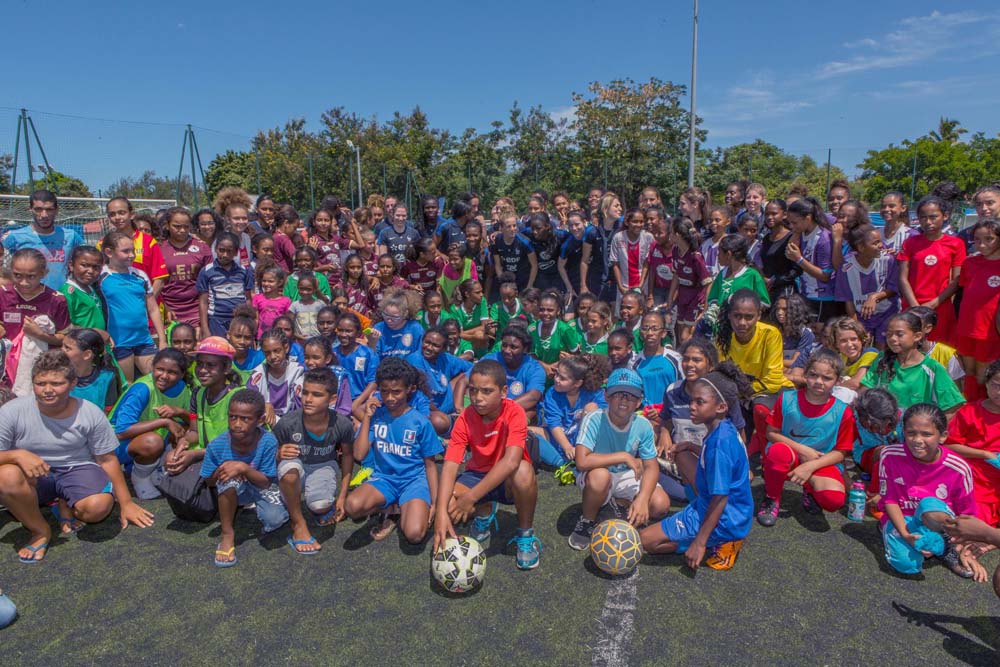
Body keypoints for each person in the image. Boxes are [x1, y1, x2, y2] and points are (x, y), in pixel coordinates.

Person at [0, 350, 154, 563]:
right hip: (33, 476)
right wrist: (17, 455)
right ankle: (40, 530)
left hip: (76, 468)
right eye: (40, 383)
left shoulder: (89, 413)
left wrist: (126, 502)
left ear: (73, 384)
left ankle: (64, 500)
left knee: (97, 508)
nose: (47, 390)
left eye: (56, 383)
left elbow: (107, 459)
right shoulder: (11, 411)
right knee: (6, 475)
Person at [639, 369, 752, 571]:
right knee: (682, 454)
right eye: (692, 400)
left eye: (700, 402)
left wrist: (699, 542)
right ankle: (703, 532)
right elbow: (723, 463)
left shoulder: (720, 444)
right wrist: (691, 447)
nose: (692, 406)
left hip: (725, 517)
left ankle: (722, 541)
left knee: (646, 541)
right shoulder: (723, 428)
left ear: (721, 407)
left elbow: (720, 498)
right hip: (729, 507)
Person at [434, 359, 542, 570]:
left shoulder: (515, 412)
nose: (477, 398)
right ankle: (484, 512)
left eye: (486, 391)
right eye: (473, 391)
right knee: (446, 504)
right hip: (477, 475)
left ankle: (525, 535)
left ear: (503, 391)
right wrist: (440, 512)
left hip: (508, 479)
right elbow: (450, 465)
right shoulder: (465, 418)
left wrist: (470, 498)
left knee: (522, 470)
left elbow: (511, 462)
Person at [568, 368, 671, 549]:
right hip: (597, 473)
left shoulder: (643, 425)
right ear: (606, 396)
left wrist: (643, 499)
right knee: (600, 478)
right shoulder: (594, 419)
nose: (624, 400)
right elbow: (582, 462)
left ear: (639, 401)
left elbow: (652, 467)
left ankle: (619, 504)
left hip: (626, 474)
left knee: (661, 505)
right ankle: (588, 520)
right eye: (618, 394)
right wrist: (623, 456)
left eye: (631, 396)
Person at [344, 358, 441, 545]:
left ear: (409, 389)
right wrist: (367, 419)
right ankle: (393, 508)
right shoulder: (377, 416)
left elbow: (430, 465)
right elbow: (359, 455)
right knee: (352, 506)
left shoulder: (419, 422)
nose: (390, 398)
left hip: (413, 481)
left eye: (396, 392)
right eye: (385, 391)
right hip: (384, 479)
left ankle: (401, 510)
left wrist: (435, 503)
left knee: (414, 534)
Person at [757, 350, 857, 526]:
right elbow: (771, 433)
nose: (819, 382)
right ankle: (772, 498)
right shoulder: (787, 399)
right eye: (813, 375)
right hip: (789, 456)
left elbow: (842, 452)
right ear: (805, 374)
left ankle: (809, 489)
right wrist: (802, 450)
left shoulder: (843, 411)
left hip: (820, 460)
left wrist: (810, 466)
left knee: (833, 500)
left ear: (838, 381)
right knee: (777, 452)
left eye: (826, 378)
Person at [878, 403, 978, 579]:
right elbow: (890, 500)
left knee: (928, 504)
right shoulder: (890, 455)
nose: (917, 440)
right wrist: (905, 534)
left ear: (943, 436)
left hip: (939, 522)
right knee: (907, 566)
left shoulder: (958, 468)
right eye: (911, 433)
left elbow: (968, 515)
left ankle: (946, 547)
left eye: (926, 434)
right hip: (903, 519)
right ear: (903, 432)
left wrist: (965, 549)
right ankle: (891, 531)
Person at [201, 389, 288, 567]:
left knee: (275, 519)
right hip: (233, 489)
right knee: (229, 480)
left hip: (260, 485)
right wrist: (223, 471)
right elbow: (209, 482)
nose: (237, 424)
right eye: (232, 417)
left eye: (245, 419)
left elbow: (266, 481)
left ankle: (254, 506)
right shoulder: (216, 445)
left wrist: (242, 468)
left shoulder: (268, 441)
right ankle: (227, 534)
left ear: (260, 420)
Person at [274, 368, 355, 554]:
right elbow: (267, 453)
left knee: (320, 506)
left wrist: (342, 497)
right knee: (290, 471)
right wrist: (278, 453)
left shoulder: (342, 424)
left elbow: (348, 456)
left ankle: (316, 504)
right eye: (305, 392)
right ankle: (298, 525)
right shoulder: (288, 422)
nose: (308, 399)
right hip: (296, 467)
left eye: (317, 395)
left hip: (323, 465)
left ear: (332, 399)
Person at [716, 289, 794, 455]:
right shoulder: (722, 338)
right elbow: (720, 375)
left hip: (772, 392)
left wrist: (742, 393)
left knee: (760, 408)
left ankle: (768, 453)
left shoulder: (770, 334)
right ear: (729, 315)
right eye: (737, 316)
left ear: (758, 315)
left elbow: (773, 381)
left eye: (749, 317)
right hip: (740, 394)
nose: (742, 322)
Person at [109, 348, 191, 499]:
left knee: (187, 432)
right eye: (160, 369)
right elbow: (121, 432)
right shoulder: (143, 388)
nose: (164, 376)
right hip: (114, 447)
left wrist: (180, 412)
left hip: (144, 441)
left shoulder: (183, 389)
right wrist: (164, 421)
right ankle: (140, 477)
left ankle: (152, 468)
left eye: (172, 372)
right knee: (153, 442)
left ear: (182, 375)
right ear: (152, 367)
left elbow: (193, 422)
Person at [860, 312, 965, 416]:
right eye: (889, 334)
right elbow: (864, 393)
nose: (892, 338)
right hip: (884, 429)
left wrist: (930, 429)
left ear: (917, 336)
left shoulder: (932, 368)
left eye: (899, 334)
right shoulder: (882, 360)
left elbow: (954, 407)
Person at [657, 339, 748, 455]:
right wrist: (664, 433)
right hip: (678, 455)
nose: (689, 364)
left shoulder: (721, 394)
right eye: (685, 359)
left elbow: (740, 436)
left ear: (710, 366)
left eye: (697, 360)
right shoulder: (672, 391)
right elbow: (666, 420)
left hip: (715, 458)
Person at [897, 195, 966, 343]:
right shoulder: (910, 243)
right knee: (910, 347)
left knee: (938, 350)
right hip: (911, 306)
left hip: (940, 307)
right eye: (923, 217)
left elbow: (956, 279)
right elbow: (903, 278)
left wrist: (933, 303)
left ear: (945, 216)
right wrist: (915, 306)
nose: (928, 222)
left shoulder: (956, 244)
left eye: (933, 217)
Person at [99, 231, 165, 382]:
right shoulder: (101, 276)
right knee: (127, 384)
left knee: (156, 379)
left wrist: (162, 340)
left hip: (143, 339)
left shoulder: (140, 275)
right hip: (118, 341)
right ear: (109, 252)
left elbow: (153, 309)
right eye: (125, 251)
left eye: (133, 250)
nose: (132, 255)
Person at [533, 354, 608, 483]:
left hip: (582, 442)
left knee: (592, 408)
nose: (556, 379)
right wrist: (567, 446)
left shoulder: (594, 393)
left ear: (577, 383)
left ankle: (583, 457)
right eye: (556, 374)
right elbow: (554, 424)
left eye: (562, 378)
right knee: (526, 433)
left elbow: (604, 417)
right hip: (558, 439)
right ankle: (562, 464)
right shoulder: (552, 393)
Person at [945, 360, 1000, 530]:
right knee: (973, 522)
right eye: (995, 385)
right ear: (987, 384)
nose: (999, 392)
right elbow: (949, 446)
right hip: (975, 476)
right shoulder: (970, 411)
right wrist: (985, 454)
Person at [954, 218, 1000, 400]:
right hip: (966, 328)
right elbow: (963, 294)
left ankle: (986, 414)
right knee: (969, 373)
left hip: (989, 333)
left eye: (989, 239)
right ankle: (971, 411)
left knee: (985, 376)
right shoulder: (970, 263)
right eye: (977, 240)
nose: (982, 244)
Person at [2, 190, 82, 290]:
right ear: (30, 209)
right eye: (38, 209)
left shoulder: (71, 236)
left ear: (56, 210)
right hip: (27, 298)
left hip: (61, 298)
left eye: (49, 209)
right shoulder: (15, 237)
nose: (44, 215)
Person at [835, 223, 900, 346]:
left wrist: (874, 297)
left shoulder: (888, 260)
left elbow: (894, 288)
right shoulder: (846, 268)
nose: (881, 246)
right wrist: (857, 326)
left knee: (882, 350)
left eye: (880, 241)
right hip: (861, 317)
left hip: (886, 314)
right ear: (861, 247)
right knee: (864, 349)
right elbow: (848, 301)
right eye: (875, 243)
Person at [405, 326, 471, 434]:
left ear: (443, 349)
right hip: (427, 408)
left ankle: (464, 417)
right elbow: (422, 398)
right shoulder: (415, 360)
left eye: (435, 345)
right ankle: (459, 426)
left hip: (446, 399)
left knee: (470, 377)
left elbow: (473, 367)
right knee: (439, 422)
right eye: (427, 342)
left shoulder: (445, 357)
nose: (429, 347)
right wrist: (441, 413)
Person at [159, 207, 214, 332]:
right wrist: (166, 307)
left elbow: (210, 281)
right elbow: (155, 284)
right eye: (177, 226)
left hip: (197, 310)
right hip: (170, 312)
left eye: (186, 226)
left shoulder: (201, 247)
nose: (182, 230)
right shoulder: (159, 249)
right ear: (167, 225)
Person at [785, 197, 838, 323]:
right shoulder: (802, 232)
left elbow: (825, 275)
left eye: (795, 223)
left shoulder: (823, 238)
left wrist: (799, 259)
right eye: (790, 223)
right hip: (806, 293)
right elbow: (789, 250)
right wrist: (796, 233)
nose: (792, 227)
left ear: (808, 218)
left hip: (822, 298)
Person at [477, 325, 546, 421]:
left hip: (520, 412)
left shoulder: (535, 369)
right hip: (489, 410)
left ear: (525, 349)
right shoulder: (491, 359)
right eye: (504, 345)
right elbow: (464, 380)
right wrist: (460, 408)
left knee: (531, 410)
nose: (506, 350)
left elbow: (533, 397)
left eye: (513, 347)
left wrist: (500, 411)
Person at [104, 197, 168, 294]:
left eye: (122, 213)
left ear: (132, 214)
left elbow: (160, 279)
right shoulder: (103, 243)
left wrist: (147, 304)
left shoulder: (148, 242)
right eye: (112, 214)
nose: (117, 217)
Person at [197, 231, 254, 337]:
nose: (225, 255)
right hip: (216, 320)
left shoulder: (244, 271)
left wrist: (250, 322)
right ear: (215, 249)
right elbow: (203, 302)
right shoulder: (206, 271)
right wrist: (205, 330)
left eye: (229, 251)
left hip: (239, 320)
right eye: (221, 250)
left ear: (236, 252)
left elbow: (248, 299)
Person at [248, 329, 304, 426]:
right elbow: (249, 399)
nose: (273, 356)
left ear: (286, 348)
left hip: (291, 425)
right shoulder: (259, 373)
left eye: (277, 351)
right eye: (267, 353)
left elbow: (300, 406)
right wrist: (264, 405)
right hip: (264, 425)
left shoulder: (297, 371)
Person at [669, 217, 710, 345]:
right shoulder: (676, 251)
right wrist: (670, 297)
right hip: (683, 297)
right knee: (680, 332)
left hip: (695, 299)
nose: (669, 235)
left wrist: (705, 307)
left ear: (677, 235)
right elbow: (676, 275)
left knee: (685, 336)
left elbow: (708, 282)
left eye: (670, 232)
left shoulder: (695, 257)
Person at [63, 328, 119, 412]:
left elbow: (109, 411)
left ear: (87, 355)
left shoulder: (106, 378)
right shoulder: (58, 375)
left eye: (67, 348)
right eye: (62, 346)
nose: (61, 350)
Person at [528, 291, 581, 377]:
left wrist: (558, 364)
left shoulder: (565, 329)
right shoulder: (531, 329)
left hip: (560, 375)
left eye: (550, 310)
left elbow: (576, 354)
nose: (545, 313)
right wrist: (545, 366)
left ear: (558, 311)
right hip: (536, 374)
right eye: (542, 309)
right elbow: (529, 353)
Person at [333, 312, 378, 411]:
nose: (344, 335)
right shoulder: (333, 354)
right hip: (337, 404)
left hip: (361, 402)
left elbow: (373, 382)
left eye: (348, 331)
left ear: (358, 333)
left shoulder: (367, 354)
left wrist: (356, 404)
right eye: (340, 330)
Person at [769, 293, 815, 388]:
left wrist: (773, 362)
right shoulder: (773, 330)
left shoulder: (805, 333)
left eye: (785, 309)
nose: (779, 312)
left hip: (795, 370)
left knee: (795, 372)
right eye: (778, 309)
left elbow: (795, 362)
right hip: (776, 368)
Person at [59, 246, 107, 335]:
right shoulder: (68, 293)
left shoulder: (91, 287)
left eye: (96, 267)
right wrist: (96, 333)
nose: (91, 271)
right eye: (84, 265)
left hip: (98, 344)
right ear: (71, 265)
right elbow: (63, 326)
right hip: (82, 345)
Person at [491, 212, 537, 292]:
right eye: (508, 226)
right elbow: (497, 265)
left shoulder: (525, 242)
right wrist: (503, 283)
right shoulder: (497, 240)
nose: (513, 229)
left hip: (523, 280)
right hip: (508, 280)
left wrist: (529, 287)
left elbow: (534, 266)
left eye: (514, 225)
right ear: (501, 228)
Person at [372, 290, 424, 359]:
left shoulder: (415, 328)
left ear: (405, 314)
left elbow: (421, 355)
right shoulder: (379, 328)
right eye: (386, 315)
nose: (389, 320)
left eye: (395, 317)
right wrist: (372, 342)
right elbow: (373, 358)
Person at [252, 266, 291, 338]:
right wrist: (253, 335)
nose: (266, 284)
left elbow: (288, 321)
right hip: (262, 337)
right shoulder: (257, 298)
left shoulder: (286, 301)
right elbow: (256, 319)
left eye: (271, 281)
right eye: (264, 281)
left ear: (279, 282)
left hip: (279, 337)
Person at [700, 207, 729, 277]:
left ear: (728, 221)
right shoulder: (705, 244)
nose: (713, 223)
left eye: (717, 220)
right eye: (711, 220)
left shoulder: (730, 243)